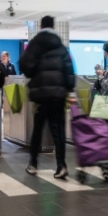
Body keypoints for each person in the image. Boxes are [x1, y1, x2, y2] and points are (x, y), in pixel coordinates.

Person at [19, 16, 75, 179]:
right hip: (58, 95)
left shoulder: (35, 44)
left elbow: (24, 64)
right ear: (53, 27)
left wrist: (33, 73)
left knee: (37, 130)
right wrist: (70, 89)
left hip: (41, 95)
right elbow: (69, 69)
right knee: (58, 131)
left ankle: (33, 164)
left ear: (41, 26)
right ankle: (61, 166)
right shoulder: (61, 46)